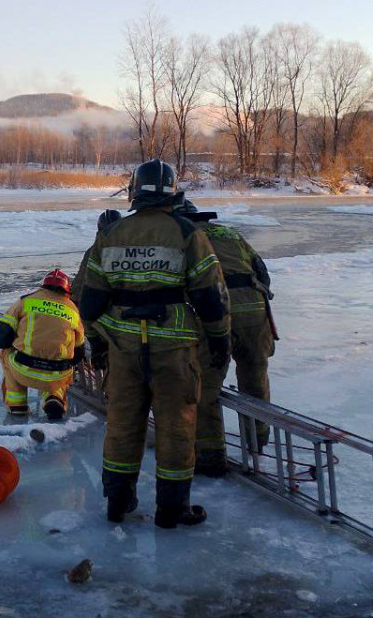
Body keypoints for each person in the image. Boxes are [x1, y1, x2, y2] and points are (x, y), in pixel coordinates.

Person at [79, 159, 231, 529]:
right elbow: (211, 296)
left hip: (125, 351)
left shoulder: (112, 235)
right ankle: (172, 510)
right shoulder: (186, 233)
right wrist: (220, 339)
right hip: (174, 352)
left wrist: (105, 342)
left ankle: (117, 502)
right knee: (176, 427)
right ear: (173, 192)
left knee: (122, 425)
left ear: (134, 192)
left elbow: (90, 304)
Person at [174, 199, 276, 477]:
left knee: (206, 385)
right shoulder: (230, 233)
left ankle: (210, 454)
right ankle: (257, 442)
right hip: (255, 310)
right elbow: (262, 271)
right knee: (255, 377)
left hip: (218, 312)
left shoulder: (185, 238)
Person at [0, 269, 85, 420]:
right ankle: (55, 396)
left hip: (24, 370)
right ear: (67, 290)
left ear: (43, 286)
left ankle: (17, 405)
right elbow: (79, 349)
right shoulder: (73, 310)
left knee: (6, 353)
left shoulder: (26, 301)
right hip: (57, 374)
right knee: (61, 366)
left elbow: (2, 336)